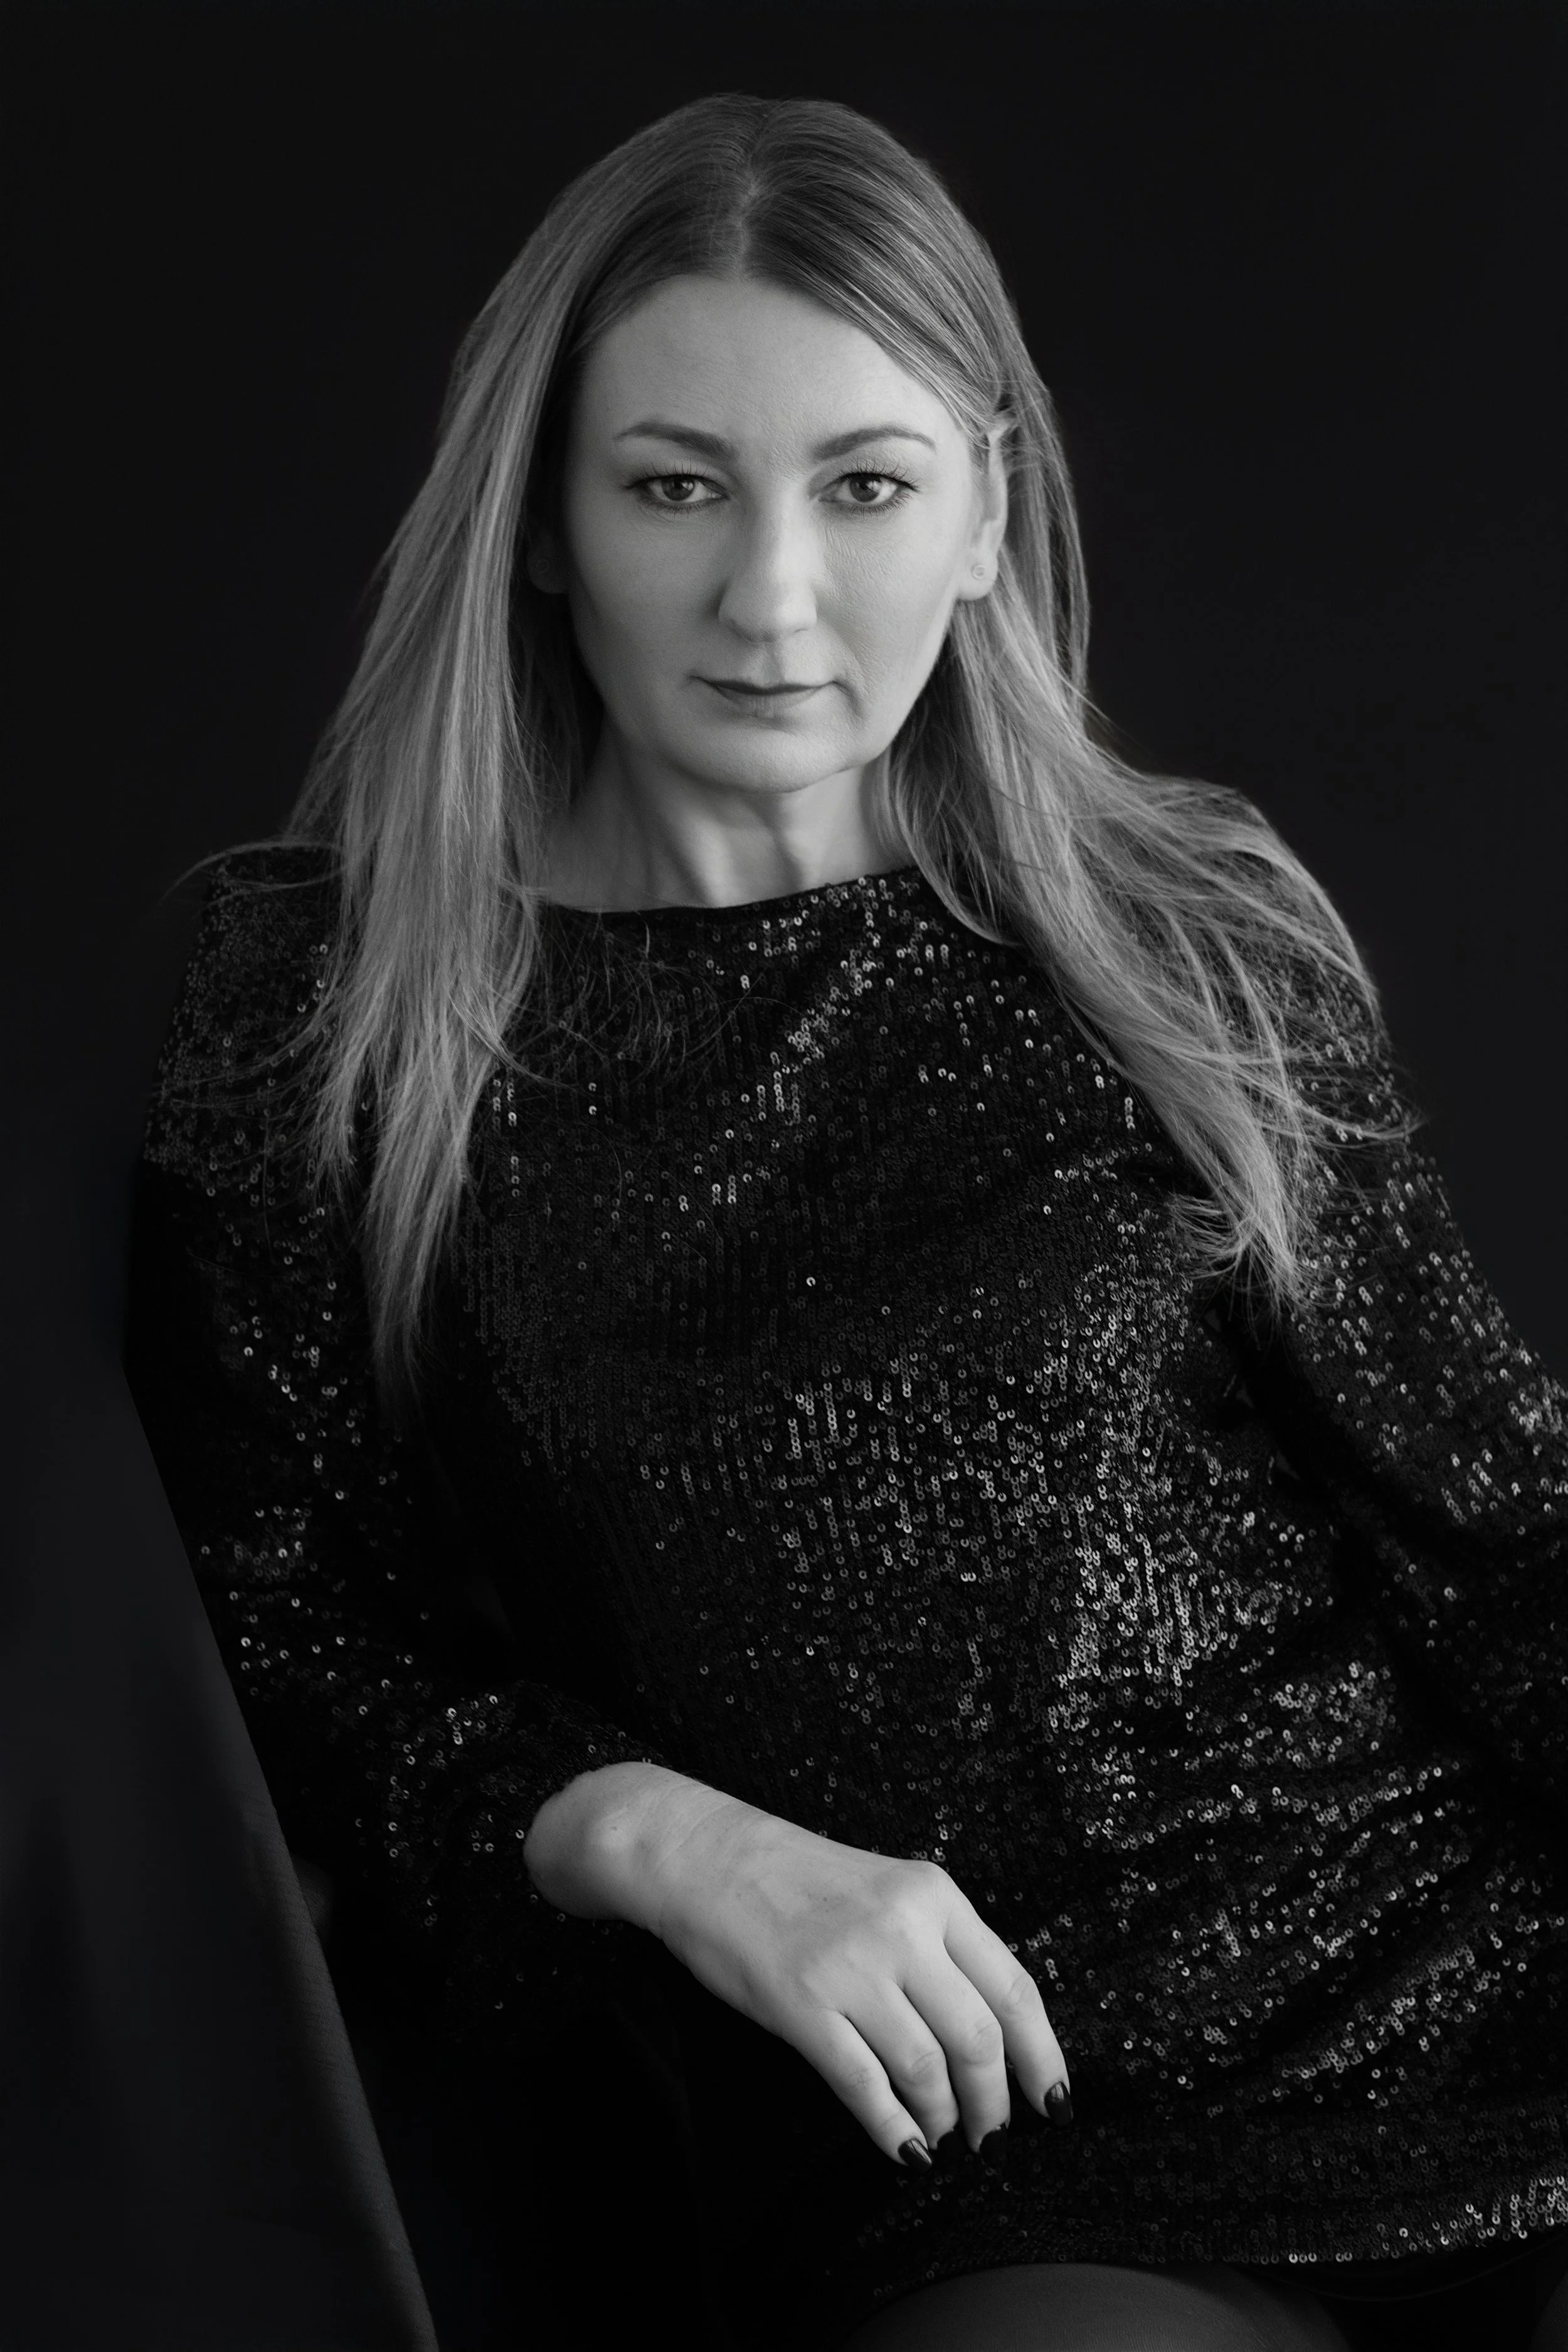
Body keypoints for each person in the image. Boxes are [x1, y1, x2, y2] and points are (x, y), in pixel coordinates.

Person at [122, 92, 1568, 2352]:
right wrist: (659, 1837)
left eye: (866, 486)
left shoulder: (1175, 938)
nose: (770, 598)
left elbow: (1494, 1527)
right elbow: (285, 1647)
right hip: (990, 2160)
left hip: (1481, 2014)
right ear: (543, 521)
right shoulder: (325, 1013)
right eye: (674, 484)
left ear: (986, 509)